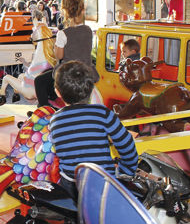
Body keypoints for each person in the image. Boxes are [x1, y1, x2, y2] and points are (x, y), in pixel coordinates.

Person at [50, 61, 138, 196]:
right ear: (92, 89)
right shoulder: (103, 113)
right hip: (102, 182)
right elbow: (126, 144)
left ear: (57, 92)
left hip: (71, 184)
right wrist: (126, 171)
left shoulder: (55, 120)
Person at [34, 0, 98, 108]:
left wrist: (56, 46)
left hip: (70, 73)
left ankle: (45, 110)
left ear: (65, 10)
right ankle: (54, 103)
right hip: (87, 70)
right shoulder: (88, 30)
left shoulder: (63, 33)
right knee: (47, 75)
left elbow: (59, 56)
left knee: (39, 81)